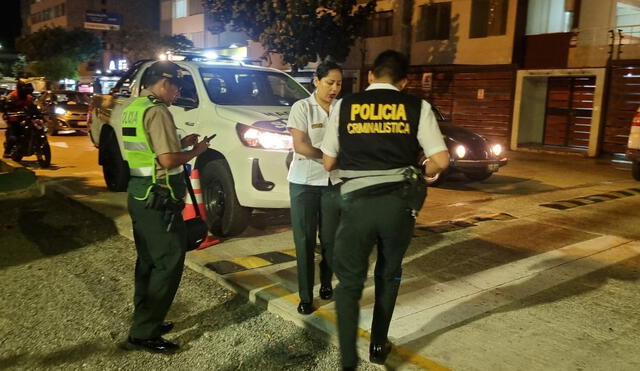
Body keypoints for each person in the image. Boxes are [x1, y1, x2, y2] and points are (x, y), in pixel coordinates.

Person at [321, 50, 450, 370]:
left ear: (370, 77)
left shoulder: (344, 106)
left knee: (349, 283)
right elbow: (441, 161)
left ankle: (347, 361)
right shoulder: (417, 107)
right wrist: (423, 169)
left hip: (356, 206)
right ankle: (378, 344)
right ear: (405, 82)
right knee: (388, 273)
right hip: (397, 207)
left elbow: (328, 162)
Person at [122, 61, 210, 353]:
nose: (177, 93)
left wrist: (180, 142)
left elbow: (149, 150)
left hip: (139, 193)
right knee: (169, 261)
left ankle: (146, 318)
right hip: (159, 197)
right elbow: (167, 161)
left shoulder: (134, 107)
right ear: (165, 83)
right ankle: (144, 332)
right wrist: (196, 151)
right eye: (177, 87)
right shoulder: (158, 111)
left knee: (148, 260)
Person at [287, 61, 343, 315]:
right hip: (304, 183)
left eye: (339, 84)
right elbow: (300, 145)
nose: (334, 88)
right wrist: (329, 158)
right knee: (305, 239)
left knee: (330, 239)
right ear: (316, 81)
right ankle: (306, 295)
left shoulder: (342, 109)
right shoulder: (302, 107)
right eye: (330, 82)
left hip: (334, 182)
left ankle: (326, 283)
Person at [2, 82, 37, 158]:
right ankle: (7, 152)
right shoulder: (12, 96)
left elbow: (33, 107)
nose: (28, 93)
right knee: (14, 137)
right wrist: (11, 113)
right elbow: (6, 107)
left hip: (25, 117)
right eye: (26, 91)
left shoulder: (29, 97)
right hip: (14, 118)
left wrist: (39, 114)